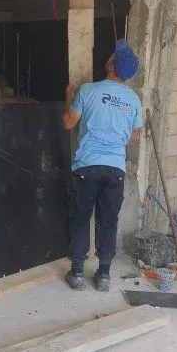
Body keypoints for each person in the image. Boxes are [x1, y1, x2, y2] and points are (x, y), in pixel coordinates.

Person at [62, 38, 142, 292]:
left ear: (111, 65)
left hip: (87, 166)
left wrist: (68, 99)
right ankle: (104, 275)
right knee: (108, 221)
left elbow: (68, 123)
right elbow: (134, 134)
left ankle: (76, 273)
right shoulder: (134, 100)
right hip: (115, 169)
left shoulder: (87, 91)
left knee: (81, 217)